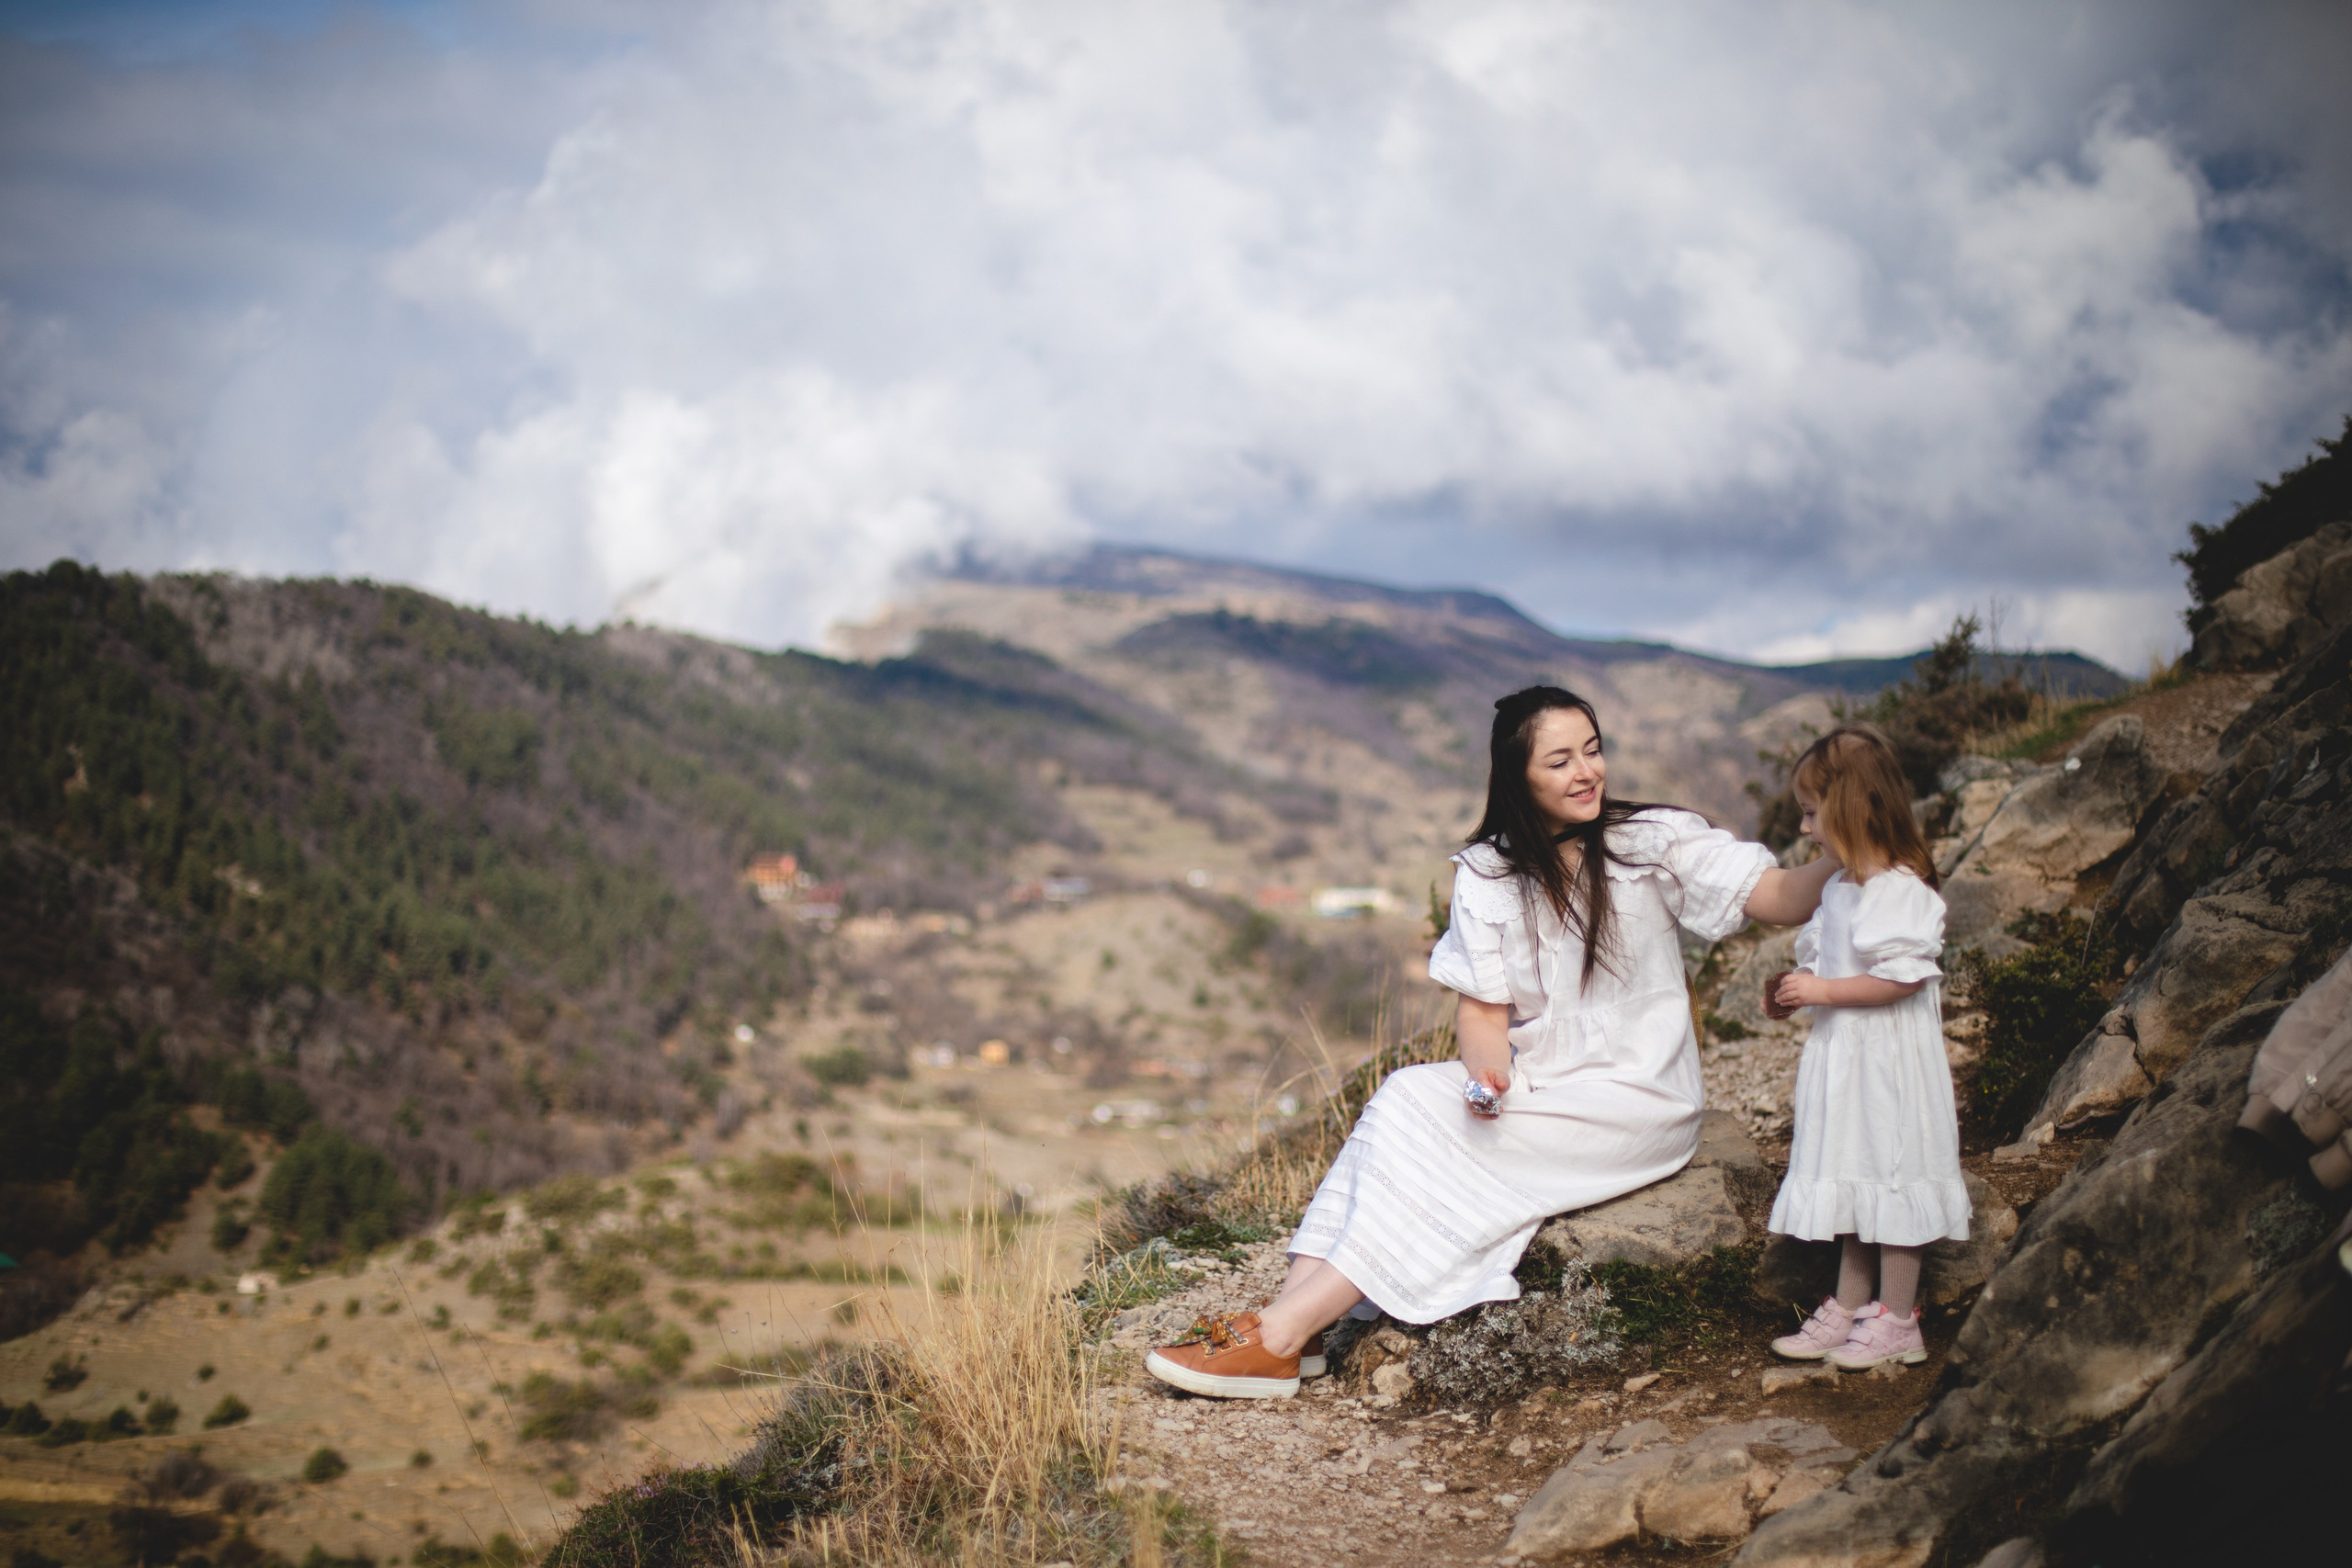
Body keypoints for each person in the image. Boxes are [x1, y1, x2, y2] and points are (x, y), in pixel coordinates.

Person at [1145, 685, 1840, 1399]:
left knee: (1450, 1158)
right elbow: (1482, 1012)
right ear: (1518, 778)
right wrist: (1487, 1075)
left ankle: (1278, 1335)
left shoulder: (1651, 840)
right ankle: (1303, 1328)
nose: (1586, 771)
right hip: (1543, 1080)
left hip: (1636, 1097)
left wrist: (1853, 848)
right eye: (1561, 759)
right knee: (1407, 1096)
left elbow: (1779, 895)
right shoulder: (1488, 871)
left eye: (1593, 751)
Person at [1761, 726, 1971, 1371]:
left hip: (1887, 1066)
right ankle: (1854, 1301)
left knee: (1892, 1167)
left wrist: (1824, 986)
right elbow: (1827, 961)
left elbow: (1900, 977)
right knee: (1853, 1167)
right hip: (1846, 1059)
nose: (1805, 827)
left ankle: (1900, 1316)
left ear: (1850, 805)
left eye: (1810, 811)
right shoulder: (1839, 889)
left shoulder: (1900, 889)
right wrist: (1800, 993)